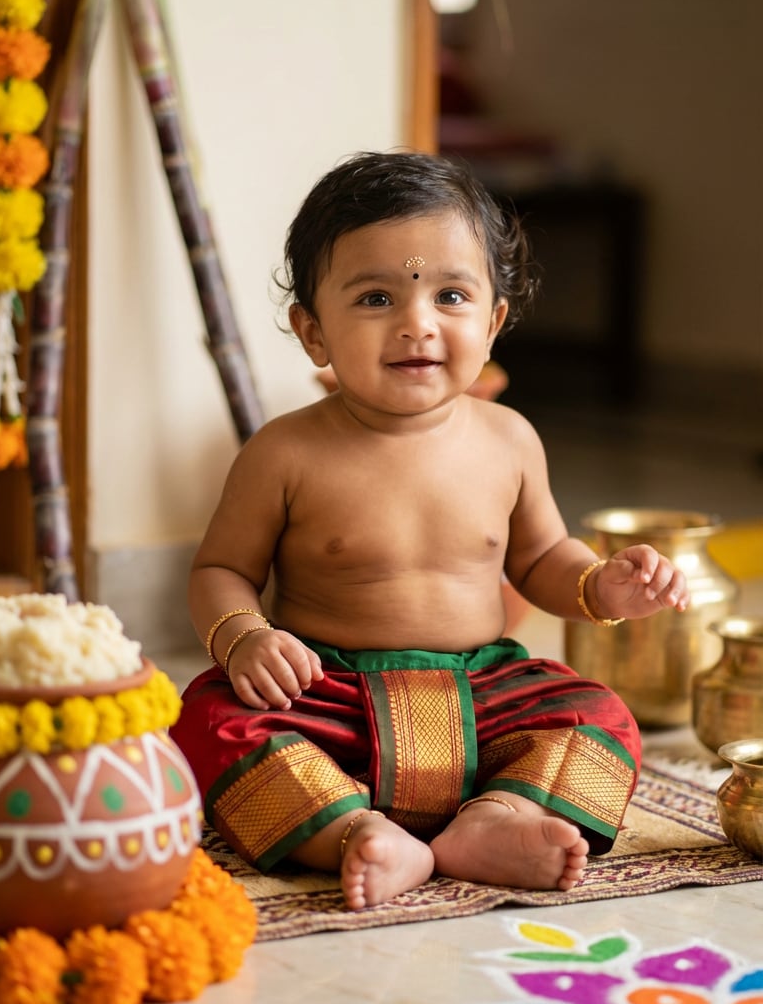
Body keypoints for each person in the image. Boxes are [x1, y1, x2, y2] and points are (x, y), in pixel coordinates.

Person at [172, 151, 689, 911]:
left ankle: (497, 818)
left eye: (450, 295)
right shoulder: (284, 452)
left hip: (484, 695)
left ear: (493, 322)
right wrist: (244, 637)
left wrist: (599, 585)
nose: (418, 324)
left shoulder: (510, 439)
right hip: (330, 698)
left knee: (600, 716)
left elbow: (543, 556)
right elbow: (220, 570)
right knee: (206, 719)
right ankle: (354, 832)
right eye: (376, 297)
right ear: (313, 333)